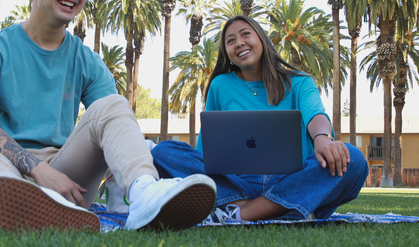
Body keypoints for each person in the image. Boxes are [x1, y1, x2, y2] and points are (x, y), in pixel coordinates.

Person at [0, 0, 216, 233]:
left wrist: (110, 175)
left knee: (114, 105)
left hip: (66, 174)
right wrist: (39, 171)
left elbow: (115, 124)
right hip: (8, 167)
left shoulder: (86, 60)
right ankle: (25, 205)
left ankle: (144, 195)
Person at [151, 15, 368, 223]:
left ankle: (241, 213)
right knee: (162, 153)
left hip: (293, 180)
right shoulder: (220, 85)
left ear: (261, 39)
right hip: (238, 184)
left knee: (354, 160)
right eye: (230, 40)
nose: (239, 43)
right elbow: (205, 151)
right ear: (226, 51)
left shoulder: (300, 82)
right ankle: (280, 209)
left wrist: (322, 138)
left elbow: (315, 115)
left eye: (246, 34)